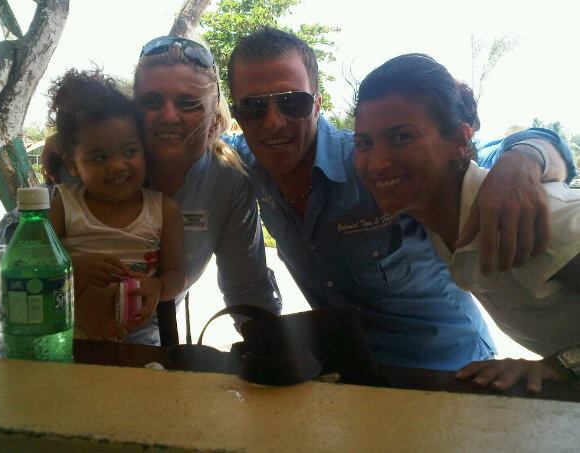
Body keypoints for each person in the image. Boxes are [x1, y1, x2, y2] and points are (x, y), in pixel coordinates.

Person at [224, 27, 577, 370]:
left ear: (317, 104)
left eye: (292, 102)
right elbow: (199, 144)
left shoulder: (371, 163)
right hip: (353, 375)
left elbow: (465, 154)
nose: (273, 122)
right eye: (253, 107)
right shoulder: (241, 164)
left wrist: (524, 159)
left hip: (450, 372)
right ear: (237, 114)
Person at [353, 53, 580, 391]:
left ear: (459, 141)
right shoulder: (434, 216)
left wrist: (562, 364)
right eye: (364, 143)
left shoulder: (538, 217)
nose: (377, 163)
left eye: (401, 137)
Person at [132, 36, 281, 343]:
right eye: (151, 102)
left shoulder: (227, 180)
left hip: (151, 347)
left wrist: (274, 350)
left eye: (187, 103)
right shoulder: (91, 163)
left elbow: (247, 289)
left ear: (214, 122)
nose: (168, 116)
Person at [46, 68, 187, 340]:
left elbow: (176, 273)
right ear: (73, 165)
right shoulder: (64, 204)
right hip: (68, 338)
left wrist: (158, 287)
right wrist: (73, 266)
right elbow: (33, 262)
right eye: (99, 158)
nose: (118, 166)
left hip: (138, 341)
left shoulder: (163, 210)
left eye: (129, 151)